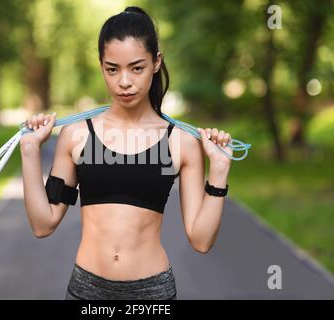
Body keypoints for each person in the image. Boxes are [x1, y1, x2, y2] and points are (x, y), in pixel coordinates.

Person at [20, 6, 233, 300]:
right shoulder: (77, 135)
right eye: (112, 69)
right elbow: (43, 224)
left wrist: (219, 171)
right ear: (101, 66)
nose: (124, 82)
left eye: (136, 67)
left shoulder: (181, 142)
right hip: (87, 293)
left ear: (156, 62)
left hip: (152, 295)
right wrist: (30, 150)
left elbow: (201, 240)